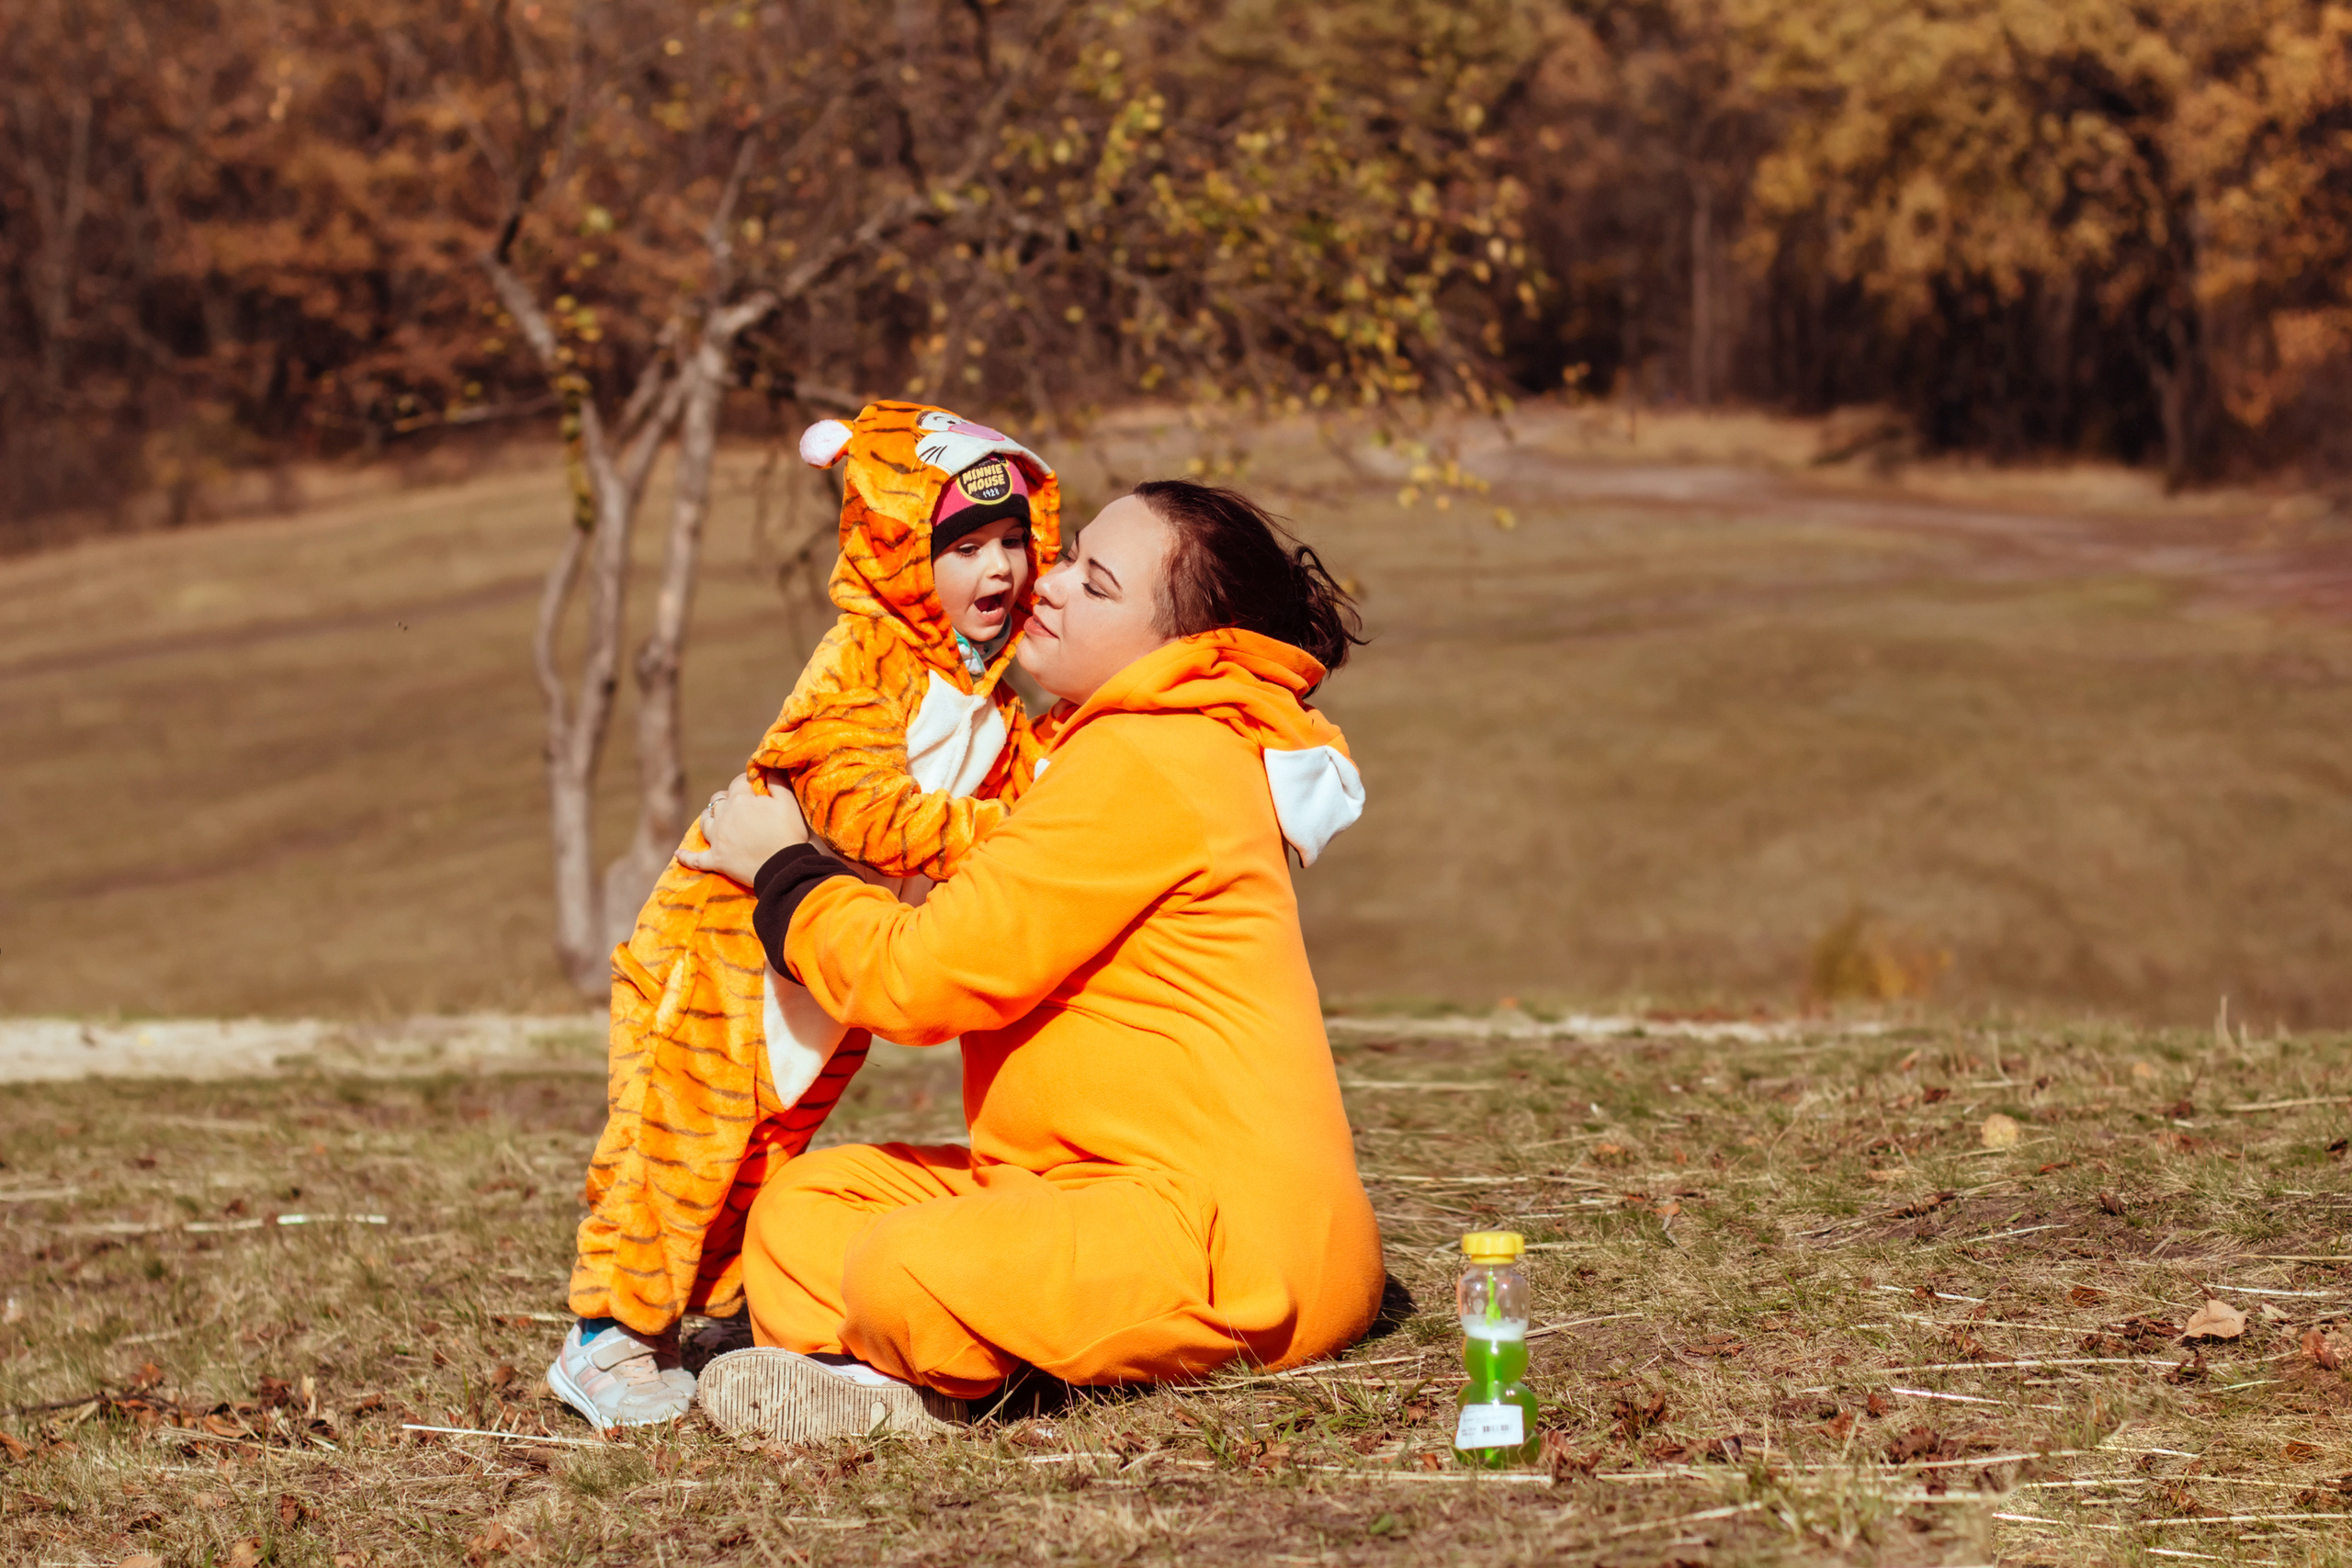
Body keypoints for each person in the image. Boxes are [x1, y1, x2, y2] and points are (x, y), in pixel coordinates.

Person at [676, 479, 1384, 1443]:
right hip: (1069, 1188)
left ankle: (911, 1373)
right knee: (805, 1208)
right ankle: (893, 1367)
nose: (1043, 585)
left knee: (906, 1267)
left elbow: (925, 979)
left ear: (1175, 651)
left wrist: (784, 873)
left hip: (1227, 1241)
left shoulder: (1154, 760)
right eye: (1070, 556)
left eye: (1094, 584)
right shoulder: (1107, 748)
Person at [547, 401, 1062, 1428]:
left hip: (824, 956)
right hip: (727, 939)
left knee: (772, 1144)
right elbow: (854, 805)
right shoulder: (862, 659)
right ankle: (608, 1334)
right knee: (682, 1133)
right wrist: (1006, 839)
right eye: (961, 546)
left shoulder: (998, 701)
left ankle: (716, 1313)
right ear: (894, 549)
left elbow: (1055, 787)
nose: (998, 570)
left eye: (1013, 541)